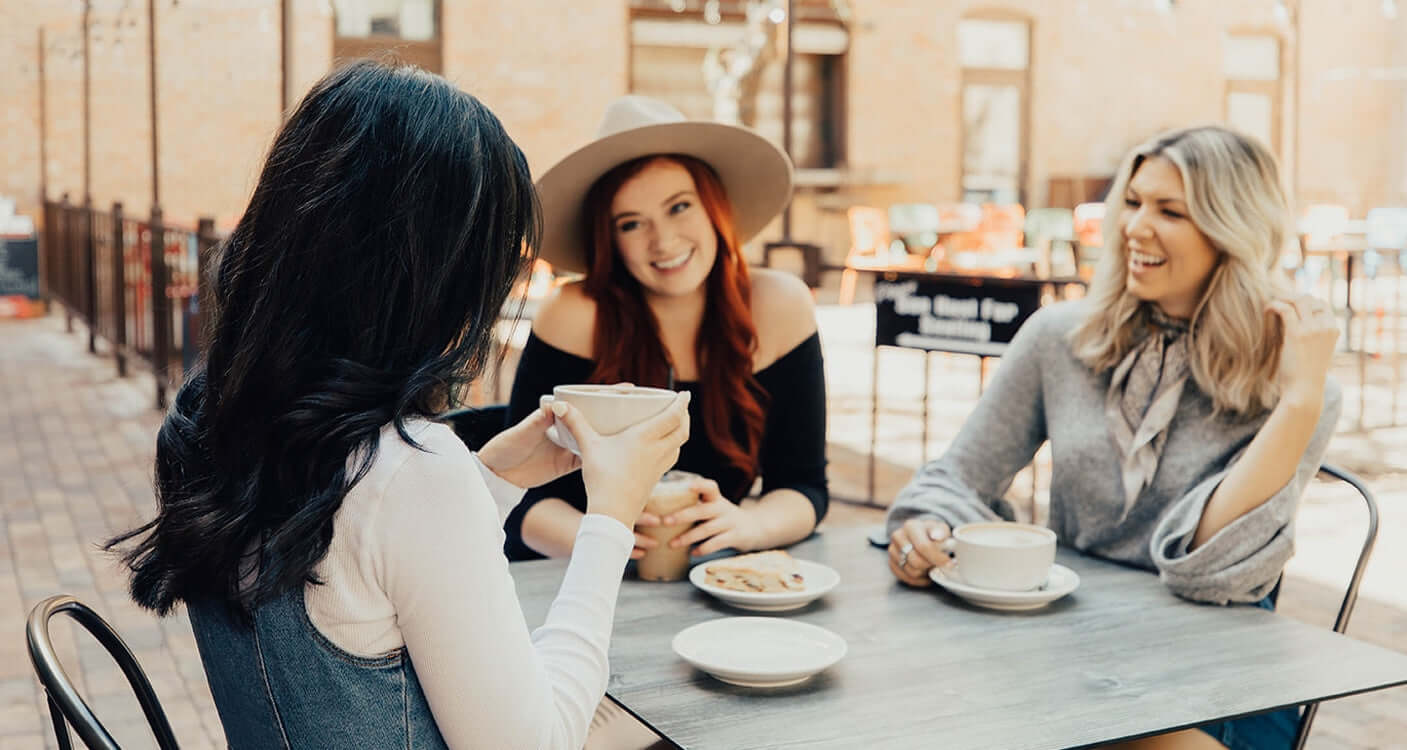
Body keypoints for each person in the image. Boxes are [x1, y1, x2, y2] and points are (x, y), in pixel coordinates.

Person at [106, 60, 691, 750]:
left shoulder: (207, 416)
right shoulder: (410, 473)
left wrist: (493, 477)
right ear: (427, 273)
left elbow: (359, 565)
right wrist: (612, 517)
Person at [884, 126, 1342, 750]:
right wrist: (928, 527)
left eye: (1170, 211)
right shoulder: (1059, 338)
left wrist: (1298, 404)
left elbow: (1207, 569)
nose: (1135, 226)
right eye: (1132, 202)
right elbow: (956, 478)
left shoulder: (1294, 383)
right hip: (1070, 648)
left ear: (1231, 228)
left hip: (1217, 675)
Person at [503, 95, 827, 563]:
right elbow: (521, 493)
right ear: (609, 240)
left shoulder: (780, 306)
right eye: (632, 224)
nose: (664, 241)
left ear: (716, 208)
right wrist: (601, 545)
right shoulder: (575, 314)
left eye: (679, 207)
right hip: (567, 571)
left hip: (711, 577)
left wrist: (750, 524)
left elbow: (803, 486)